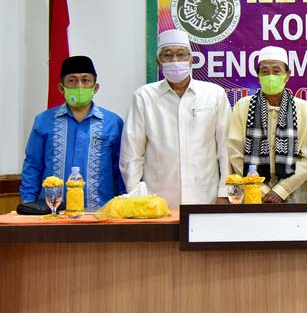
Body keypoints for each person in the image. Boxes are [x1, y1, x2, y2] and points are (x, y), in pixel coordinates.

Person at [120, 29, 230, 207]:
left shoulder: (213, 94)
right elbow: (131, 154)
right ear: (158, 61)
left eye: (181, 54)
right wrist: (136, 197)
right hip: (155, 201)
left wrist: (224, 193)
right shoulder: (144, 96)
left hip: (205, 198)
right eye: (167, 55)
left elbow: (225, 149)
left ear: (191, 60)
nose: (175, 60)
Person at [20, 56, 125, 208]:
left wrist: (124, 204)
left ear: (95, 88)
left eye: (86, 80)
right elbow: (33, 165)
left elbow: (120, 168)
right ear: (61, 88)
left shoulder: (113, 122)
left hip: (100, 213)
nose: (79, 85)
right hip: (52, 213)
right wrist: (28, 203)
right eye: (72, 80)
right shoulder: (43, 121)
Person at [227, 46, 307, 203]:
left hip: (294, 189)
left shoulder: (304, 109)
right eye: (265, 71)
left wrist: (281, 190)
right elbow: (236, 154)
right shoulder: (243, 107)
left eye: (276, 71)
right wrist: (260, 188)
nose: (270, 76)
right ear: (258, 75)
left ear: (287, 75)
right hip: (252, 189)